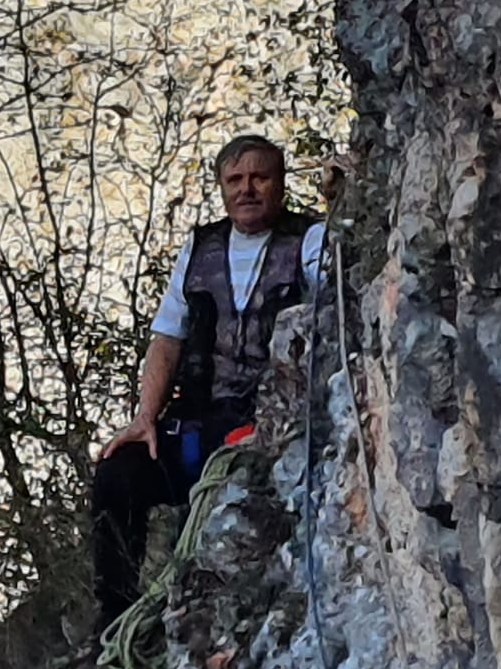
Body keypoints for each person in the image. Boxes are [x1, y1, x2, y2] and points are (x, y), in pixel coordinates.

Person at [90, 134, 326, 629]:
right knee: (117, 475)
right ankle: (114, 622)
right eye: (235, 179)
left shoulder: (309, 241)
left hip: (273, 427)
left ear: (280, 184)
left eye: (259, 177)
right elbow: (167, 340)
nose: (247, 189)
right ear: (220, 187)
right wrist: (145, 419)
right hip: (199, 422)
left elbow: (336, 283)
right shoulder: (199, 249)